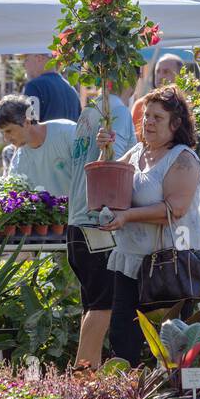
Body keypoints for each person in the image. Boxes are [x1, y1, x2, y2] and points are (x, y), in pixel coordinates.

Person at [98, 86, 200, 365]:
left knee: (172, 346)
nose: (149, 122)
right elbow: (107, 185)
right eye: (146, 116)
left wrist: (126, 216)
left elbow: (175, 210)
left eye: (157, 117)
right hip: (132, 260)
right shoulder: (136, 152)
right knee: (122, 338)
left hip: (171, 263)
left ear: (175, 123)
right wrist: (104, 152)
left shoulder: (182, 158)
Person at [65, 102, 123, 370]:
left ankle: (88, 375)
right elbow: (115, 164)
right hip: (95, 222)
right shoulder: (115, 111)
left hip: (77, 221)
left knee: (93, 303)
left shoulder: (88, 113)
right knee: (103, 303)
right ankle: (83, 380)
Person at [0, 95, 77, 197]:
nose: (6, 138)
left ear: (27, 122)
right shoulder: (18, 163)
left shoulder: (68, 132)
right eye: (3, 133)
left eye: (9, 131)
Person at [22, 53, 81, 123]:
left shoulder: (34, 86)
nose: (24, 66)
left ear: (39, 58)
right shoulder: (72, 90)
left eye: (26, 60)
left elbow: (28, 126)